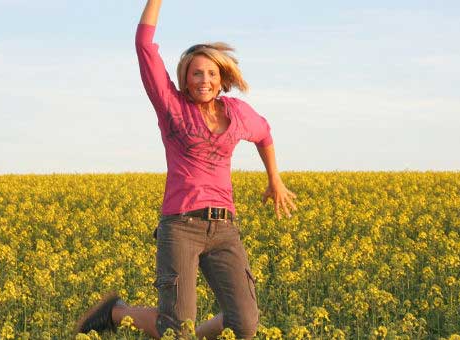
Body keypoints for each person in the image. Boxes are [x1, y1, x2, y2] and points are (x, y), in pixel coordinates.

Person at [74, 0, 296, 339]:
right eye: (196, 73)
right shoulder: (171, 107)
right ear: (185, 78)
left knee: (245, 324)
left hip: (224, 228)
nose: (204, 80)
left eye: (211, 73)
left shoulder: (237, 112)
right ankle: (116, 313)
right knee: (176, 330)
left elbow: (264, 134)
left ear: (222, 78)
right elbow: (144, 46)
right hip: (181, 225)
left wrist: (275, 180)